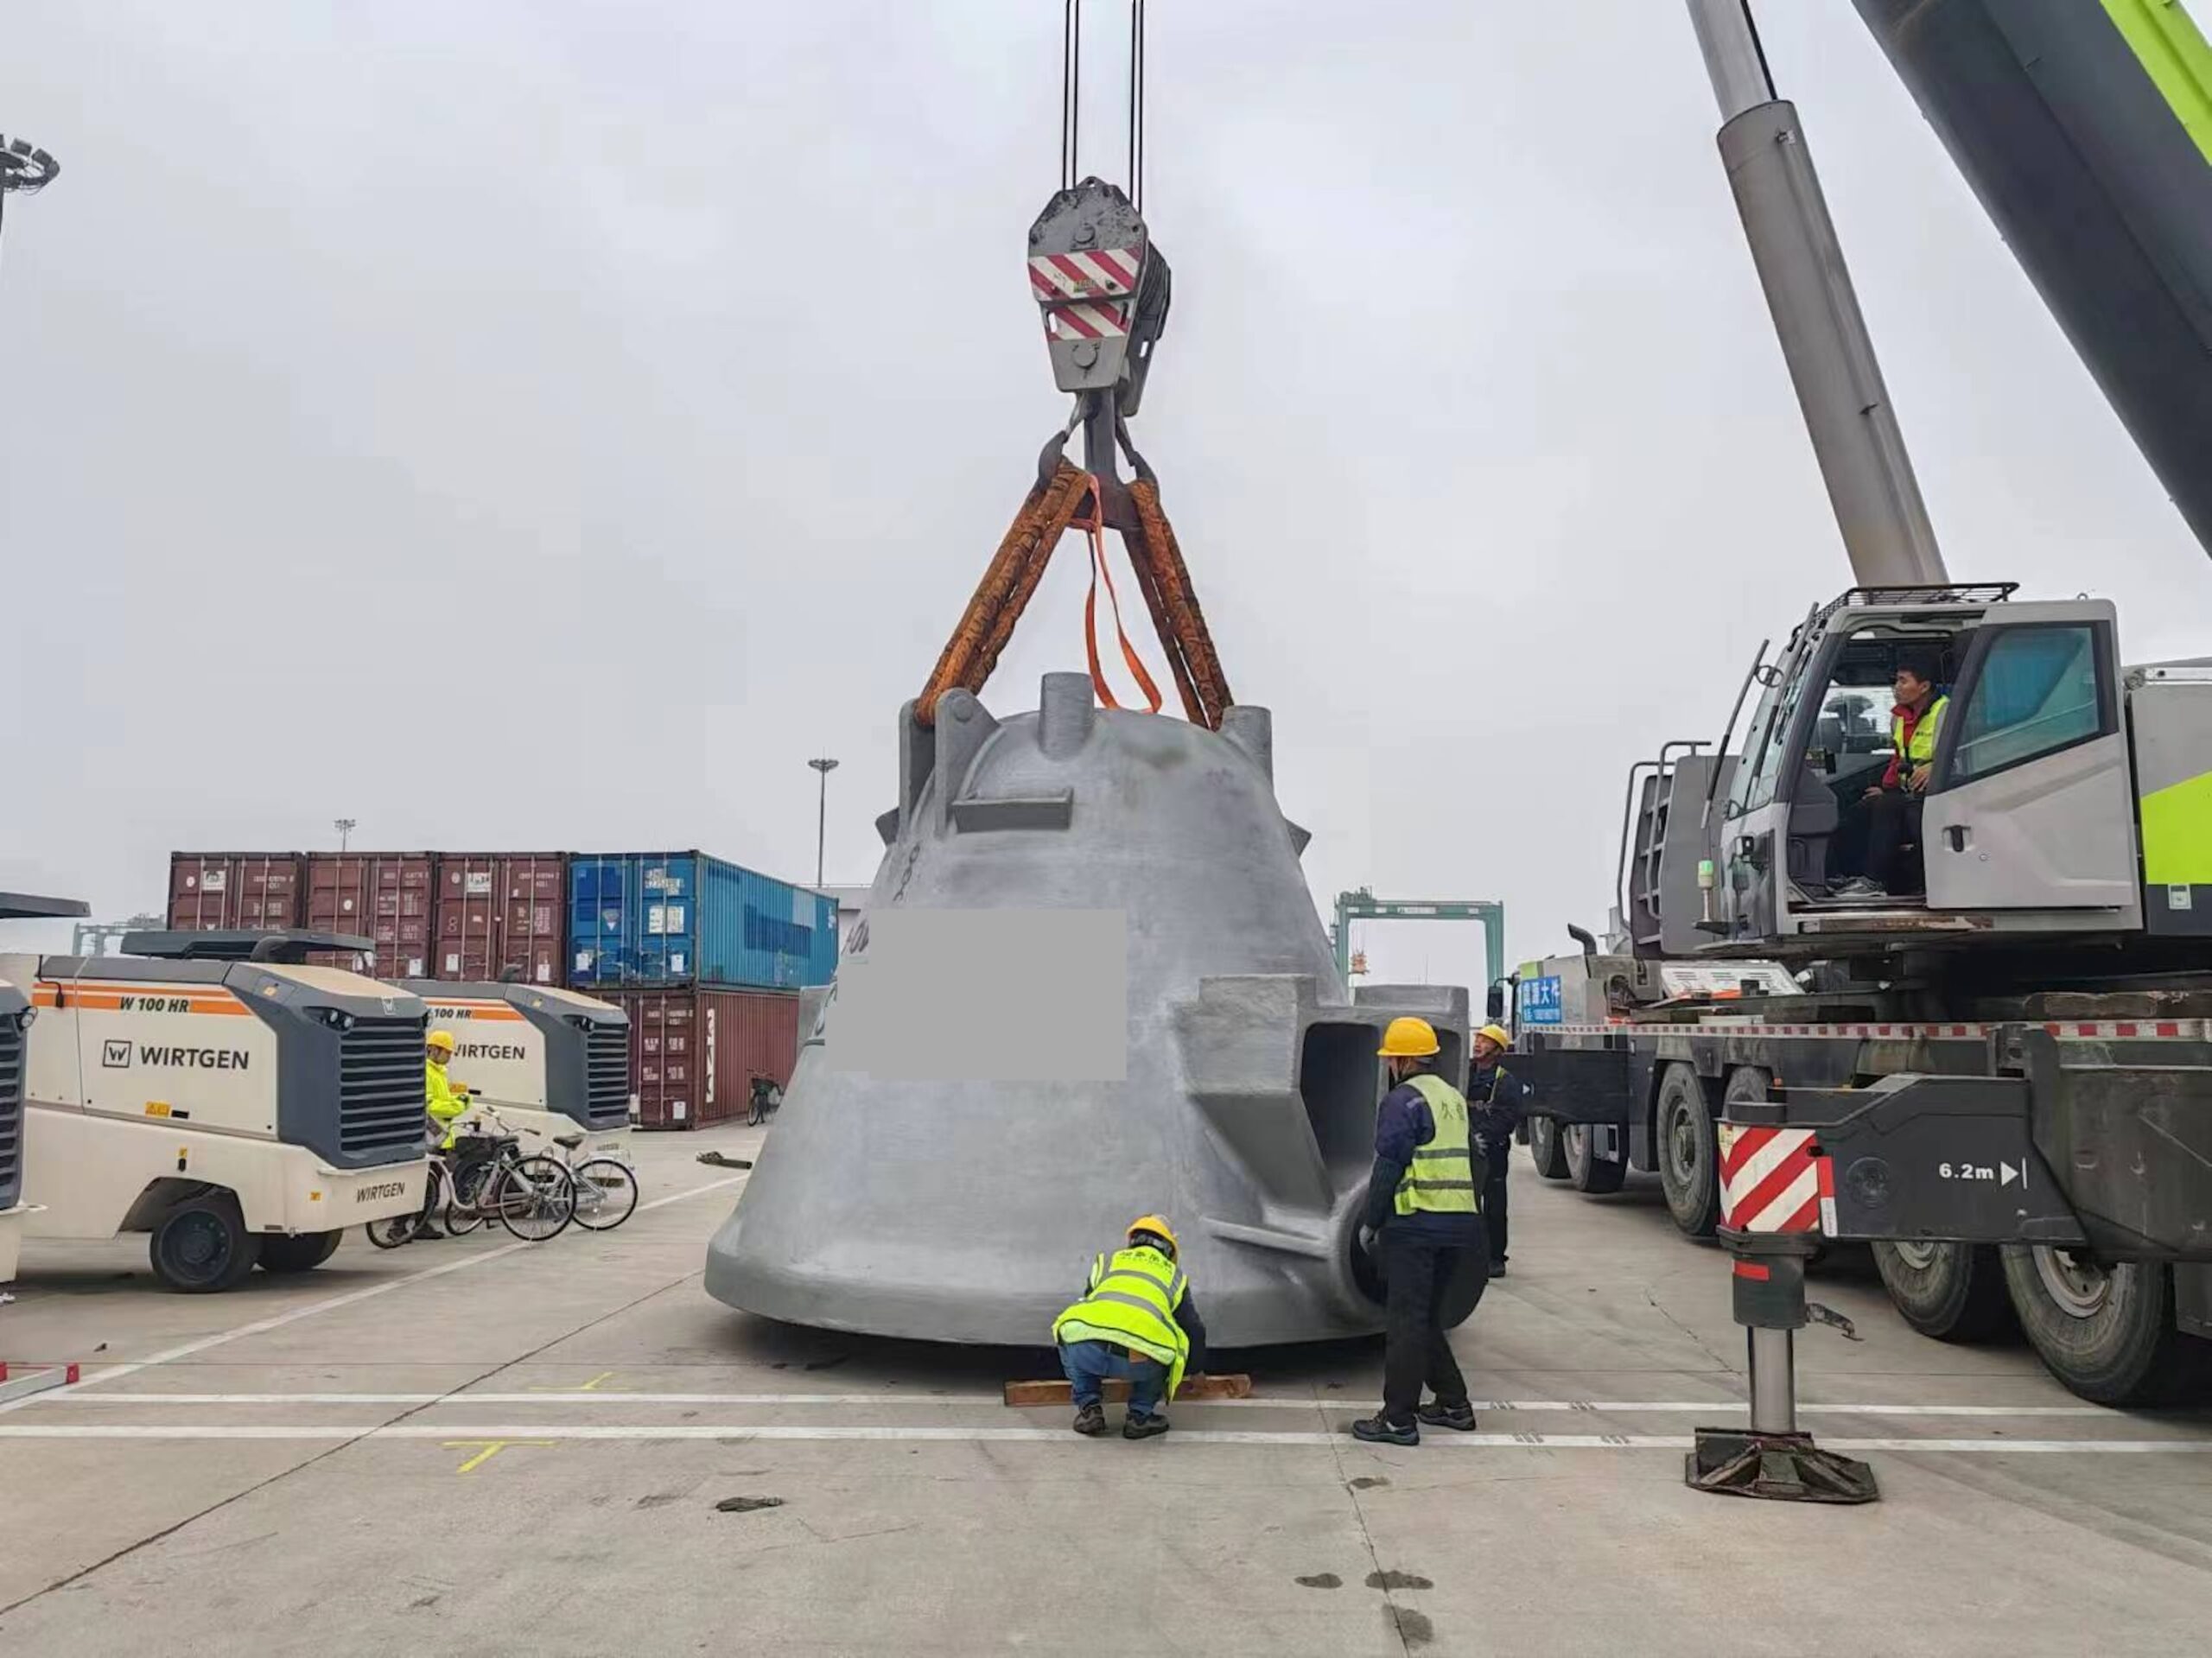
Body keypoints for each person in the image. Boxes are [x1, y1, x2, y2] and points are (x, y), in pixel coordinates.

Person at [1348, 1017, 1485, 1446]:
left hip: (1416, 1224)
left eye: (1391, 1059)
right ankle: (1453, 1404)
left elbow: (1388, 1167)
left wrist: (1371, 1222)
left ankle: (1397, 1420)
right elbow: (1474, 1160)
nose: (1390, 1066)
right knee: (1425, 1321)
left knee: (1405, 1324)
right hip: (1459, 1224)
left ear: (1403, 1060)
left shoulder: (1403, 1101)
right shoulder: (1452, 1098)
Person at [1052, 1216, 1208, 1440]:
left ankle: (1089, 1408)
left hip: (1088, 1352)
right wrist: (1196, 1369)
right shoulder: (1174, 1276)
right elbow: (1192, 1327)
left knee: (1070, 1331)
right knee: (1165, 1346)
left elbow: (1091, 1301)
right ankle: (1140, 1417)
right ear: (1169, 1248)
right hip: (1140, 1360)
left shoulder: (1108, 1262)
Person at [1835, 655, 1948, 899]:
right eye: (1896, 681)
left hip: (1942, 789)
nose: (1896, 687)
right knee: (1860, 809)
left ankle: (1874, 881)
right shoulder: (1899, 717)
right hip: (1909, 790)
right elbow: (1898, 758)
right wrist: (1885, 788)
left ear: (1924, 686)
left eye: (1903, 681)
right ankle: (1846, 874)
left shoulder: (1945, 712)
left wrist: (1936, 767)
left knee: (1889, 807)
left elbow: (1965, 751)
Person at [1469, 1023, 1529, 1278]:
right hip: (1468, 1146)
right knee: (1468, 1204)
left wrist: (1483, 1136)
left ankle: (1495, 1257)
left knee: (1494, 1205)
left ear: (1497, 1050)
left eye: (1485, 1041)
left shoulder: (1504, 1081)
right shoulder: (1466, 1073)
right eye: (1478, 1039)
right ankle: (1471, 1255)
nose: (1478, 1043)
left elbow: (1507, 1118)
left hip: (1493, 1149)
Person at [417, 1029, 472, 1238]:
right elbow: (430, 1105)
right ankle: (405, 1227)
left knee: (429, 1186)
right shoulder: (427, 1073)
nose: (449, 1056)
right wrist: (458, 1106)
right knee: (425, 1186)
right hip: (429, 1139)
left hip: (439, 1139)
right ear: (434, 1050)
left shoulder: (439, 1072)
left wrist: (459, 1100)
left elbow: (442, 1101)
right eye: (447, 1052)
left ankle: (417, 1226)